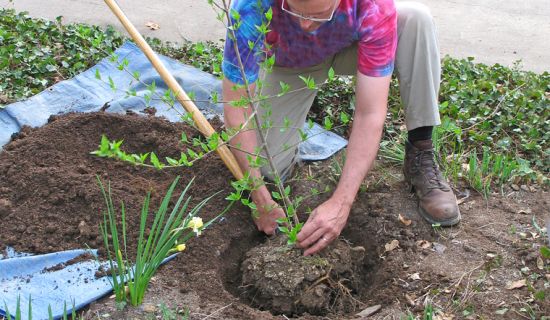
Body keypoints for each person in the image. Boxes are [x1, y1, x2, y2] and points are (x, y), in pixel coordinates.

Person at [222, 0, 460, 256]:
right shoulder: (251, 6)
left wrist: (341, 202)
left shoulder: (372, 6)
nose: (305, 24)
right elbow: (238, 107)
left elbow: (369, 113)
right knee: (267, 166)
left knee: (416, 18)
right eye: (295, 11)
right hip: (288, 62)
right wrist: (260, 197)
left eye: (320, 14)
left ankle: (421, 150)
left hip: (351, 46)